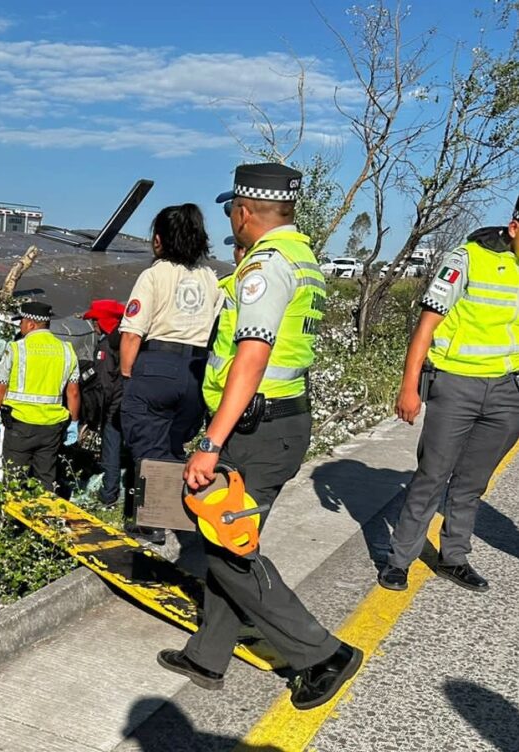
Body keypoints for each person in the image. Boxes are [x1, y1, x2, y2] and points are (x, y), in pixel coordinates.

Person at [157, 163, 361, 711]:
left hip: (257, 427)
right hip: (278, 419)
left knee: (227, 548)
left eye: (231, 212)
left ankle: (322, 654)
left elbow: (252, 355)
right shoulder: (304, 258)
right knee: (227, 538)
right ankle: (208, 654)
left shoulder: (266, 267)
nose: (232, 220)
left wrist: (210, 443)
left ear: (244, 212)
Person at [378, 198, 519, 593]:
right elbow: (426, 326)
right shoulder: (466, 260)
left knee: (473, 482)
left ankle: (454, 557)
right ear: (514, 228)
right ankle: (399, 560)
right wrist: (409, 388)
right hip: (455, 385)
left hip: (507, 390)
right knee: (432, 475)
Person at [118, 204, 222, 543]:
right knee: (174, 445)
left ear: (159, 240)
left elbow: (133, 333)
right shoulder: (210, 278)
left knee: (147, 445)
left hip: (156, 363)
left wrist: (127, 379)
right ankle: (174, 516)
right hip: (196, 369)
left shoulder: (154, 275)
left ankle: (149, 524)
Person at [0, 301, 81, 491]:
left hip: (20, 425)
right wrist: (74, 422)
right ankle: (41, 517)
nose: (20, 327)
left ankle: (13, 520)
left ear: (31, 324)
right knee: (45, 480)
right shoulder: (67, 350)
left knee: (14, 479)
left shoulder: (16, 349)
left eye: (21, 322)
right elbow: (74, 392)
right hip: (52, 427)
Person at [81, 299, 129, 506]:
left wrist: (96, 415)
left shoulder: (106, 345)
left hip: (113, 408)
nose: (93, 325)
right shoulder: (125, 341)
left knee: (111, 448)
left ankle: (109, 494)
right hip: (129, 403)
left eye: (95, 320)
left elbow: (104, 384)